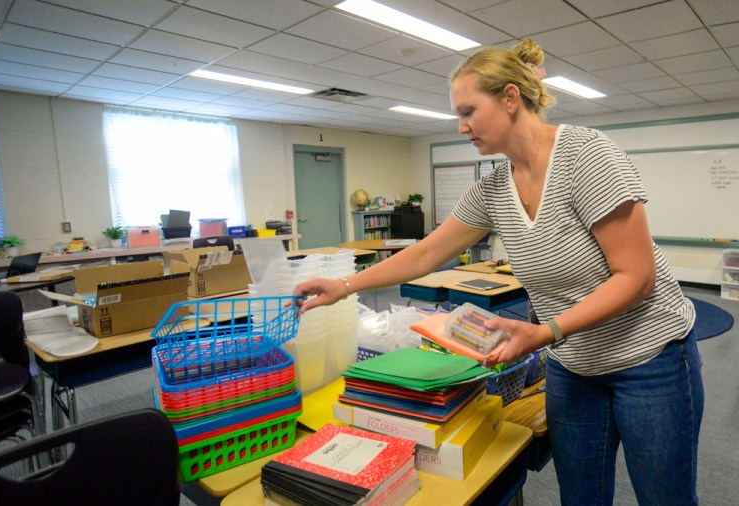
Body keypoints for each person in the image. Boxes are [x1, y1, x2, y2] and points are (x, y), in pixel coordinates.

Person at [293, 38, 703, 505]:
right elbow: (427, 253)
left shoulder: (586, 156)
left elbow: (636, 276)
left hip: (650, 358)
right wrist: (344, 285)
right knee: (581, 496)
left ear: (511, 98)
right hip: (574, 363)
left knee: (664, 496)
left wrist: (545, 332)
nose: (462, 126)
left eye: (468, 111)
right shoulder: (493, 189)